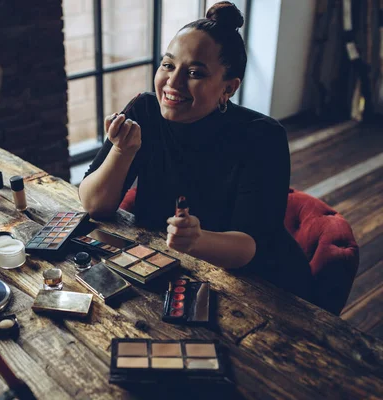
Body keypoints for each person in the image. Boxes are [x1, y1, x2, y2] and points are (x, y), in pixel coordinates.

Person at [78, 1, 315, 301]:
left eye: (194, 72)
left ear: (228, 88)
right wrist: (122, 152)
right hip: (169, 273)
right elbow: (93, 204)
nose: (172, 83)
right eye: (168, 65)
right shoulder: (145, 111)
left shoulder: (263, 136)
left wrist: (198, 240)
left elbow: (250, 245)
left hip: (259, 286)